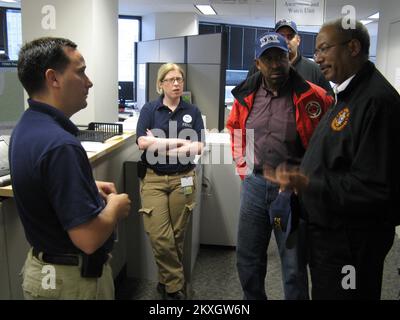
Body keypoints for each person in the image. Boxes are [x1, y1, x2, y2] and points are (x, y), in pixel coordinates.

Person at [269, 19, 400, 300]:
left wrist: (308, 182)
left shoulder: (376, 101)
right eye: (316, 51)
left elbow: (375, 188)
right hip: (330, 238)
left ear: (353, 47)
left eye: (324, 49)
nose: (317, 58)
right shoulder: (347, 94)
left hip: (350, 245)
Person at [9, 37, 131, 300]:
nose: (89, 82)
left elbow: (42, 185)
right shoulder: (60, 145)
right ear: (53, 78)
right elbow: (88, 238)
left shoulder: (28, 126)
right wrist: (115, 207)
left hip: (43, 273)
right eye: (81, 72)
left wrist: (85, 185)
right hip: (71, 284)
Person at [226, 32, 333, 300]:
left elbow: (327, 141)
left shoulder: (314, 96)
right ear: (258, 63)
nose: (275, 64)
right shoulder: (245, 95)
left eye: (280, 57)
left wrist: (309, 177)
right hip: (254, 185)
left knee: (294, 266)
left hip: (291, 190)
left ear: (290, 58)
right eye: (268, 58)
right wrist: (244, 167)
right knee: (248, 261)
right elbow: (236, 130)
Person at [136, 63, 204, 300]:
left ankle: (166, 283)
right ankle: (176, 285)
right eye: (171, 79)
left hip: (183, 178)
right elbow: (143, 143)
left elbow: (197, 146)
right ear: (161, 84)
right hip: (153, 179)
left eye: (180, 79)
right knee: (159, 235)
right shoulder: (150, 109)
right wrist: (179, 143)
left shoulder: (192, 112)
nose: (176, 84)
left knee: (177, 234)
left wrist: (161, 143)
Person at [247, 19, 333, 94]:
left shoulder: (314, 70)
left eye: (290, 36)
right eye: (281, 36)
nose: (286, 40)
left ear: (298, 40)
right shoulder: (259, 68)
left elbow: (330, 102)